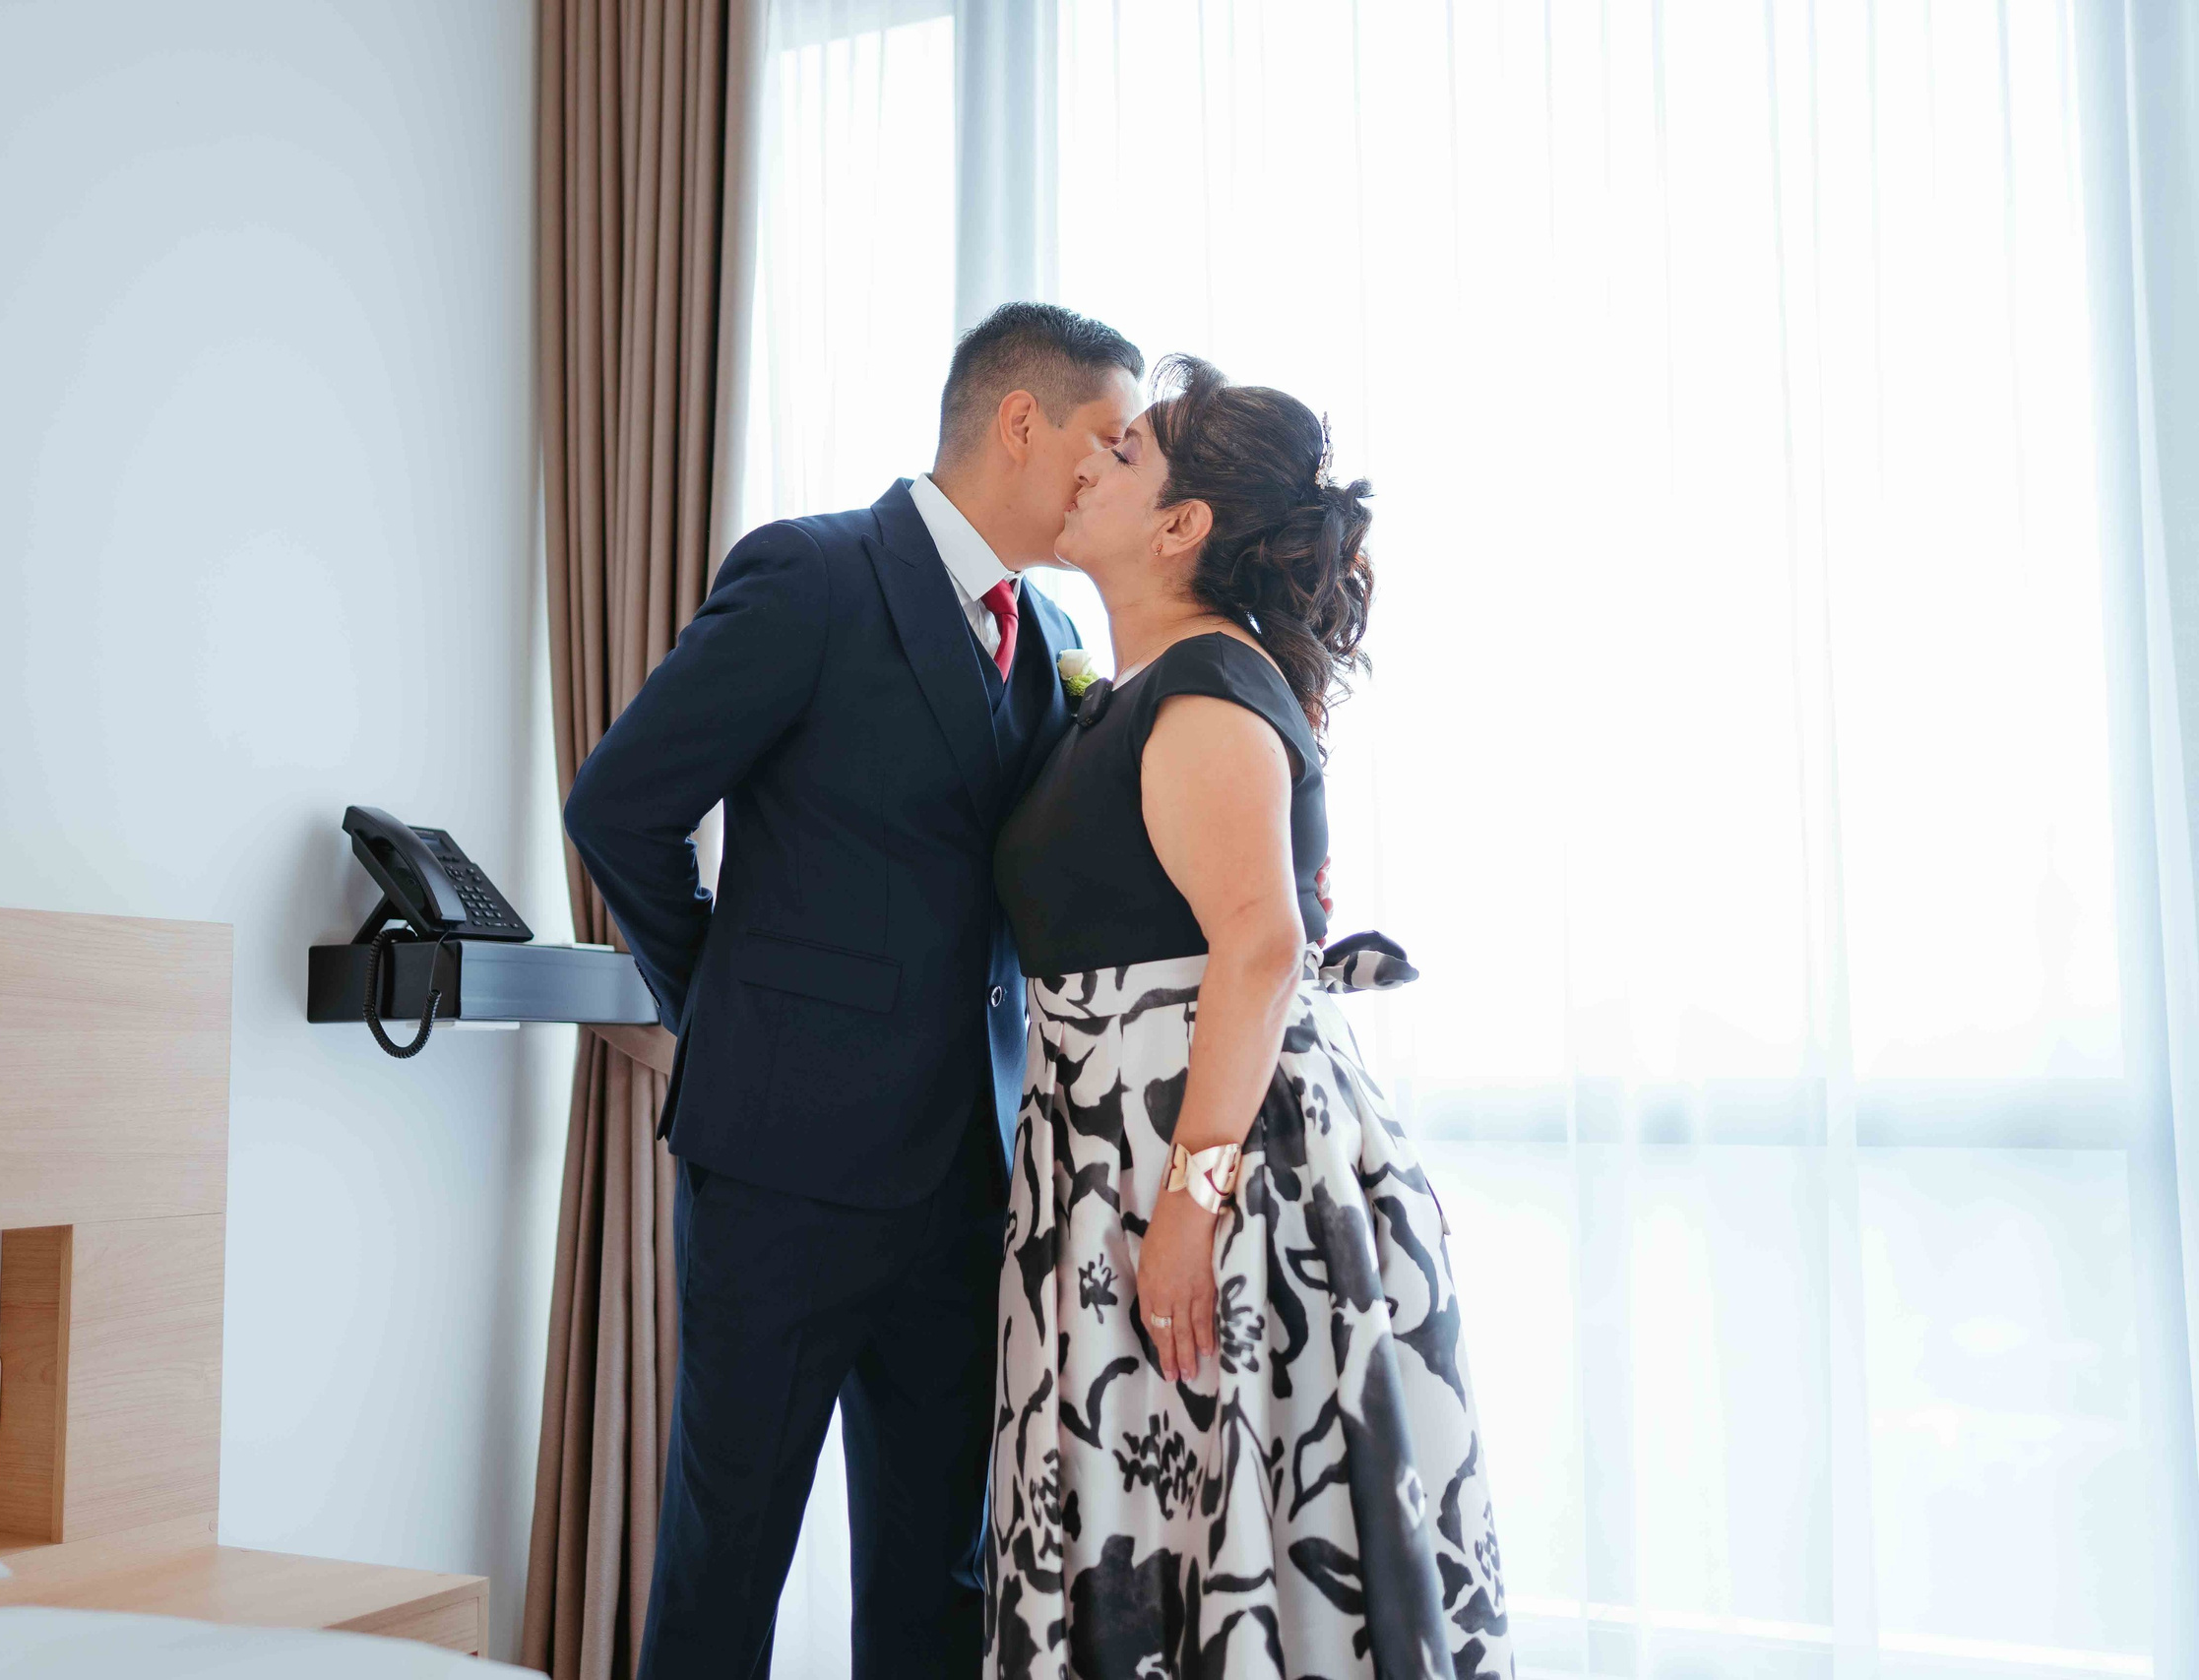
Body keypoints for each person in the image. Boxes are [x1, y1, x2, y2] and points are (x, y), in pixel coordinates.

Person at [564, 302, 1146, 1678]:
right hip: (781, 1173)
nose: (1119, 472)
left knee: (939, 1577)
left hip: (965, 1188)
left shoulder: (1054, 628)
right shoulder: (815, 577)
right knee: (730, 1561)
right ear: (1023, 423)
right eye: (1108, 440)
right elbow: (619, 806)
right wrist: (722, 999)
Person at [989, 355, 1513, 1679]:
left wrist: (1190, 1204)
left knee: (1231, 1548)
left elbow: (1262, 944)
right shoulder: (1137, 690)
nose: (1089, 465)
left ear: (1183, 526)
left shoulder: (1205, 683)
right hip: (1122, 1160)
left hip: (1207, 1184)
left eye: (1127, 455)